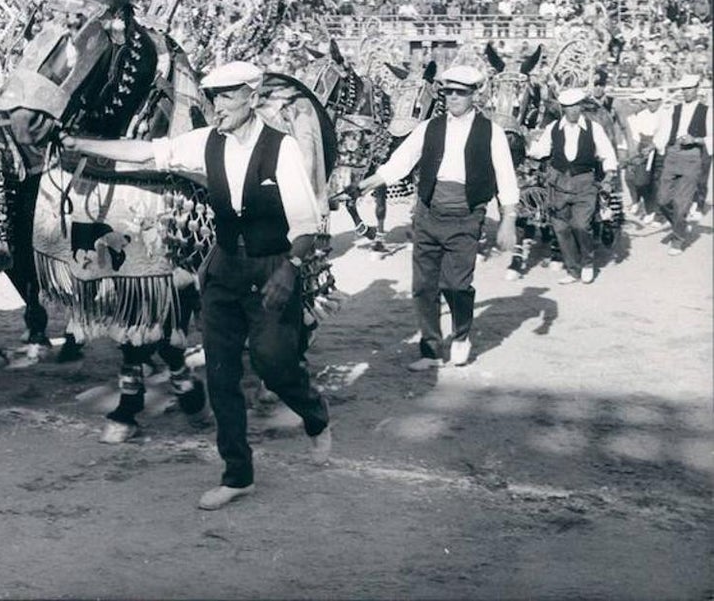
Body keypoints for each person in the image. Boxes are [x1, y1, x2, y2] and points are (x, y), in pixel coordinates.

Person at [59, 61, 331, 511]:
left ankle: (315, 416)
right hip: (224, 269)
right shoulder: (206, 143)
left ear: (251, 96)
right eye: (212, 96)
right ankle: (236, 474)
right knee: (222, 374)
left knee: (273, 364)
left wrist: (290, 268)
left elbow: (305, 224)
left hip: (273, 267)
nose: (216, 106)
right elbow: (147, 152)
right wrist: (79, 143)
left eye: (226, 96)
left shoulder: (281, 150)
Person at [358, 65, 519, 370]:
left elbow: (506, 178)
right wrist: (372, 181)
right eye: (448, 91)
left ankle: (460, 336)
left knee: (457, 285)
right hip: (428, 214)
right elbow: (400, 162)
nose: (453, 97)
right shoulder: (428, 128)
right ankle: (430, 350)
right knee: (423, 286)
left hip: (466, 216)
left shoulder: (491, 132)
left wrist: (509, 218)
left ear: (474, 94)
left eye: (461, 92)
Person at [529, 87, 619, 285]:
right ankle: (572, 269)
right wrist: (527, 145)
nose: (573, 111)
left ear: (581, 107)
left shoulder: (593, 128)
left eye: (576, 106)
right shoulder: (553, 128)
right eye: (568, 107)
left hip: (584, 183)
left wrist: (608, 176)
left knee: (580, 225)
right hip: (559, 184)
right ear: (562, 109)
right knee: (560, 228)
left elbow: (607, 153)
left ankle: (587, 263)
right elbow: (541, 150)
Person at [652, 73, 712, 255]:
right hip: (673, 154)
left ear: (697, 90)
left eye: (690, 89)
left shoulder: (707, 111)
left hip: (692, 156)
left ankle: (678, 239)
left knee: (681, 203)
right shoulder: (673, 109)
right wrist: (653, 148)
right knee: (662, 200)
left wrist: (696, 139)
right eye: (684, 89)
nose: (687, 92)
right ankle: (681, 225)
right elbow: (663, 134)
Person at [624, 88, 666, 224]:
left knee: (657, 182)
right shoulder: (642, 115)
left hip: (660, 151)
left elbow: (664, 135)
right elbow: (636, 136)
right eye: (649, 101)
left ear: (660, 101)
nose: (651, 104)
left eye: (654, 101)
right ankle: (649, 208)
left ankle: (659, 214)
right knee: (641, 181)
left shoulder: (665, 115)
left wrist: (653, 146)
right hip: (643, 150)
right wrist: (634, 154)